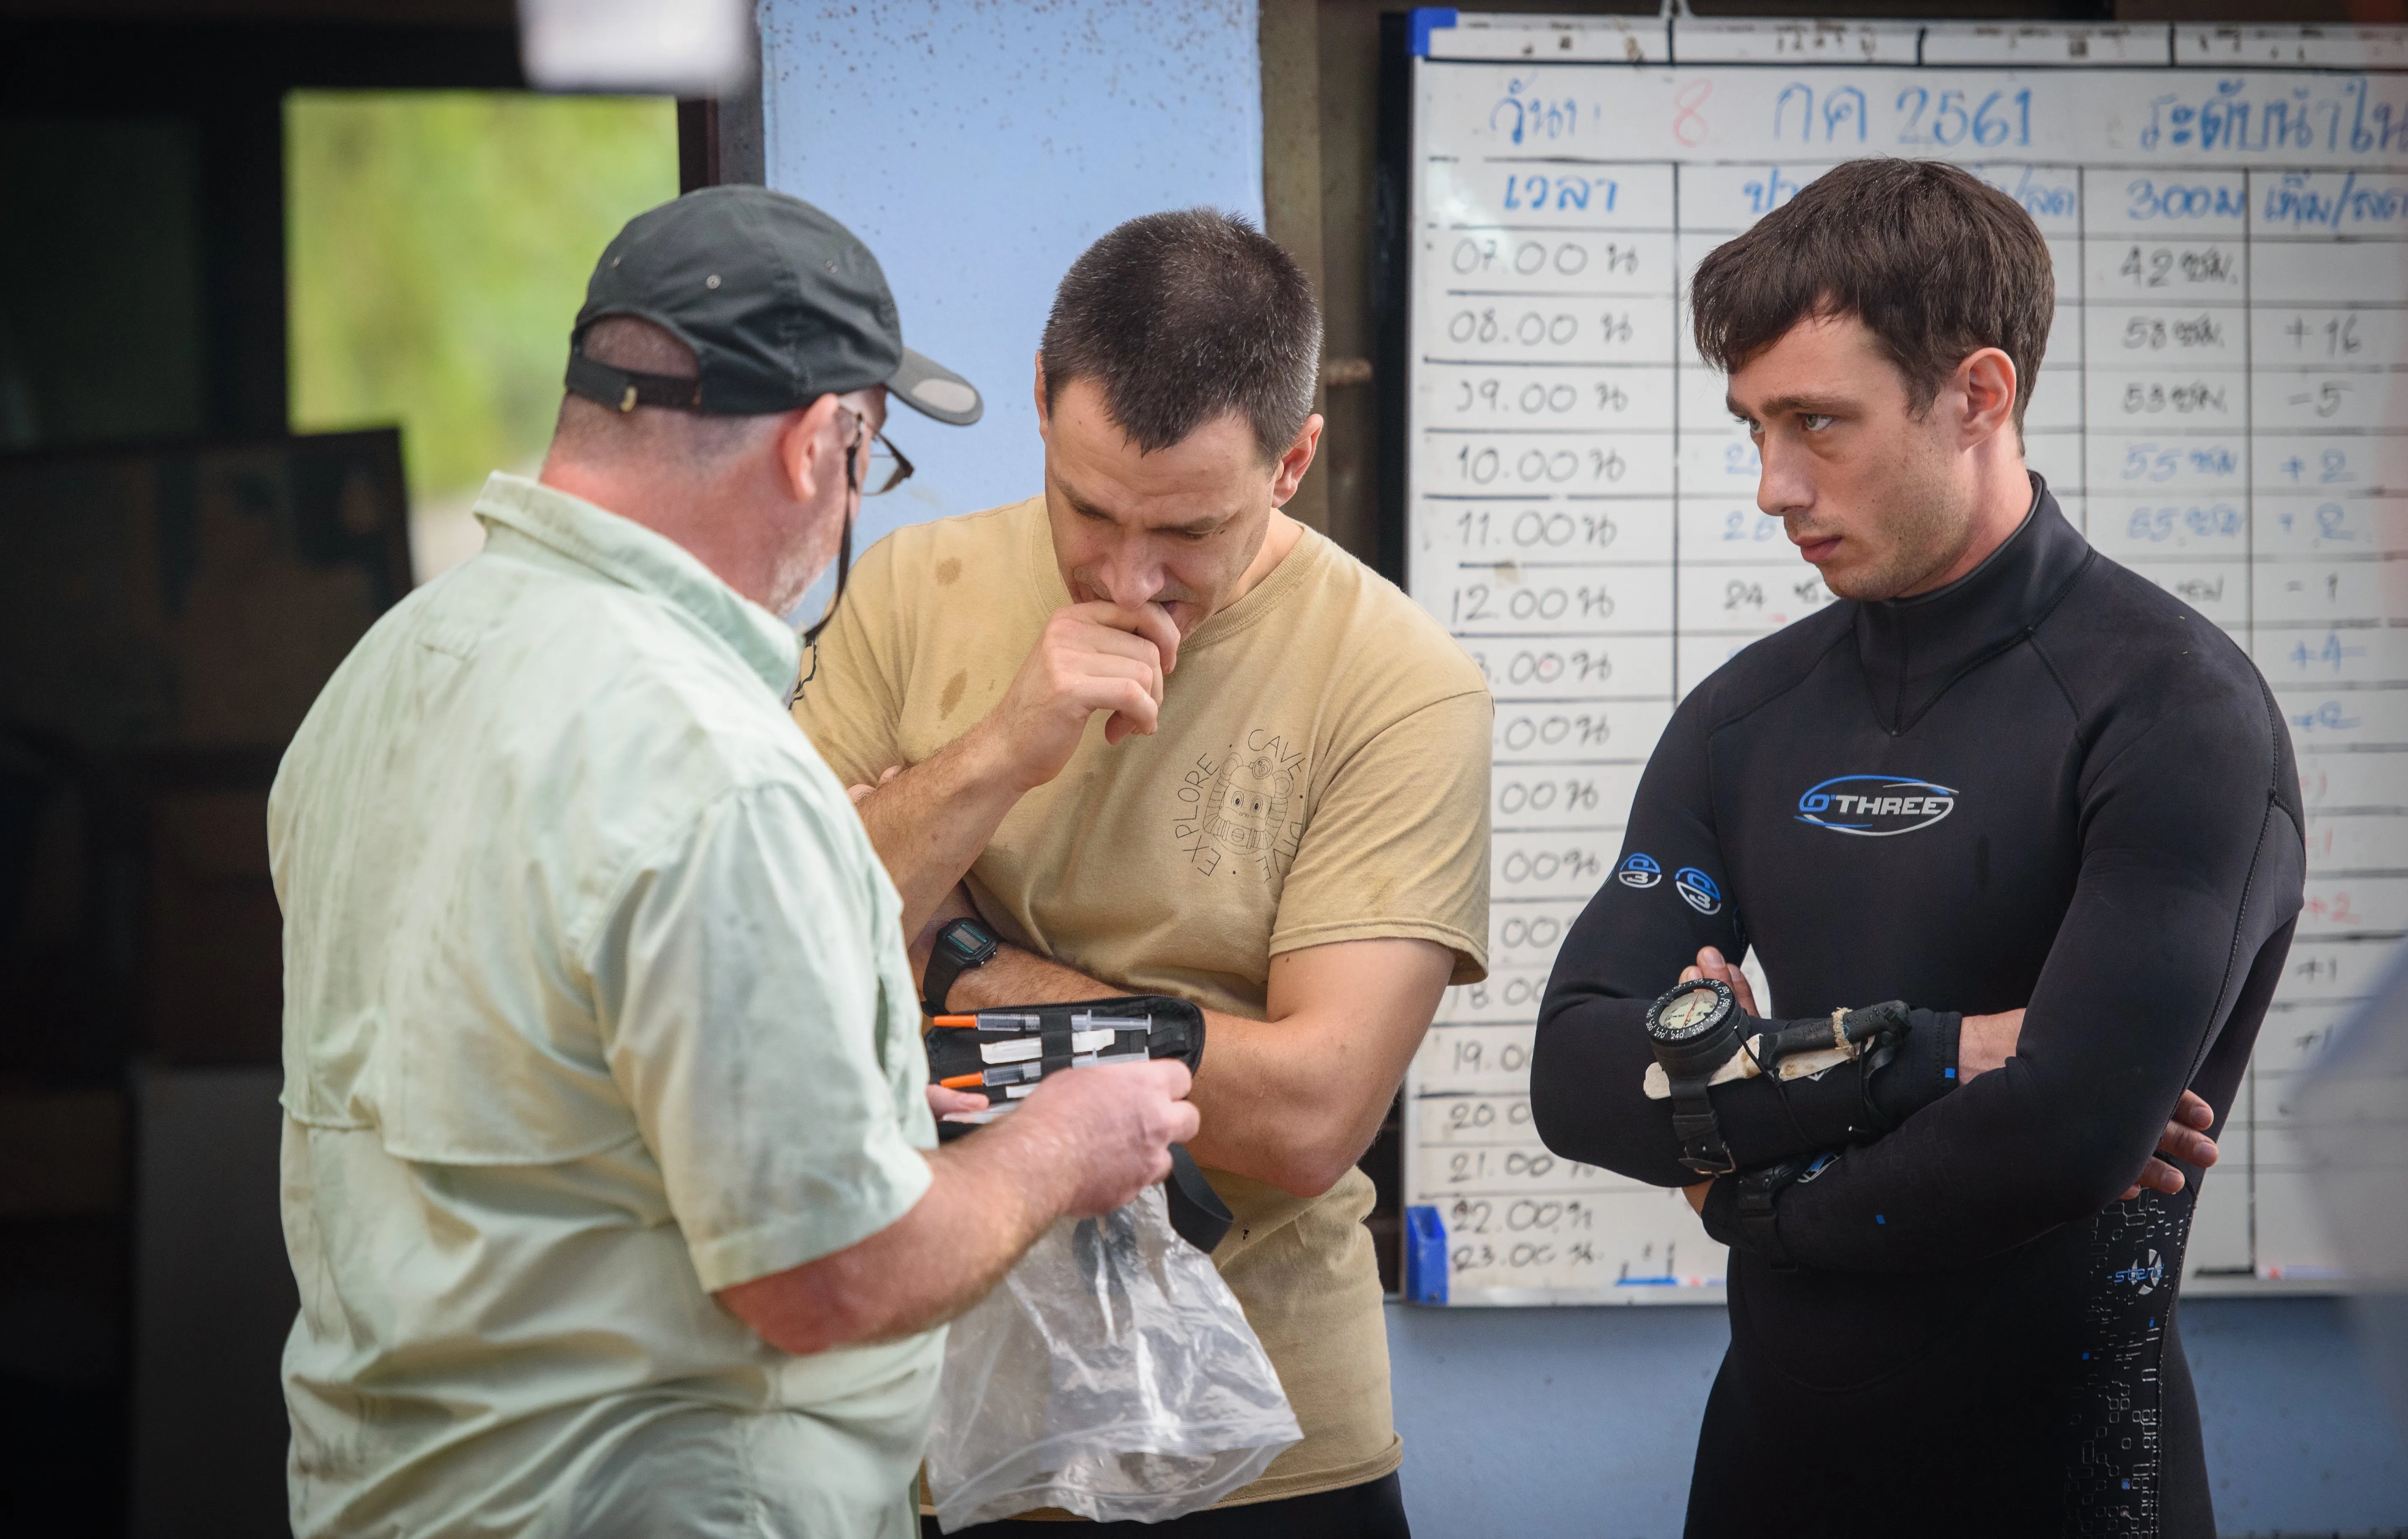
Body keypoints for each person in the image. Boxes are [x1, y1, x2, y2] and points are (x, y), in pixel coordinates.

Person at [269, 187, 1197, 1539]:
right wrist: (1063, 1145)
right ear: (822, 440)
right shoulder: (715, 762)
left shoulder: (384, 674)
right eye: (875, 461)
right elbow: (825, 1275)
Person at [1529, 159, 2304, 1537]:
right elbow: (1581, 1072)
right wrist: (1943, 1053)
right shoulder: (1743, 718)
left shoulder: (2176, 711)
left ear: (1978, 394)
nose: (1773, 485)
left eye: (1817, 423)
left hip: (2068, 1480)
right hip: (1769, 1480)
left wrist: (1746, 1190)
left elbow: (2065, 1139)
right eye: (1755, 426)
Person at [792, 208, 1491, 1537]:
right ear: (1044, 408)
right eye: (1087, 507)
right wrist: (1000, 752)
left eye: (1187, 532)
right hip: (943, 1416)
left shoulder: (1403, 686)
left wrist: (959, 960)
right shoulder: (910, 586)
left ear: (1293, 462)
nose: (1127, 574)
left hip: (1262, 1434)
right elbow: (785, 960)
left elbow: (1306, 1113)